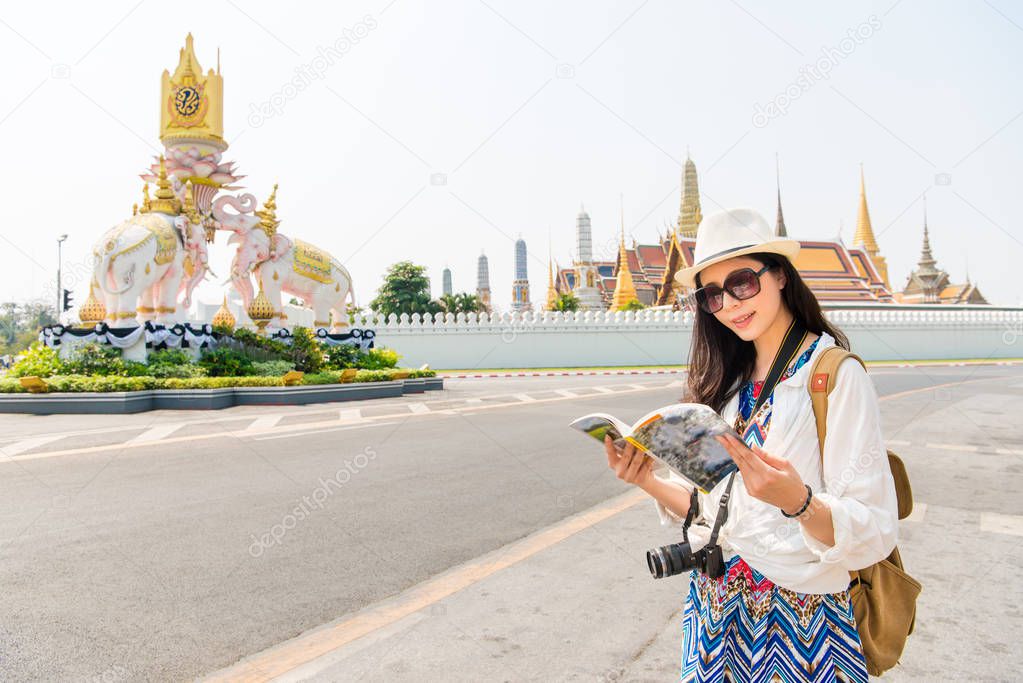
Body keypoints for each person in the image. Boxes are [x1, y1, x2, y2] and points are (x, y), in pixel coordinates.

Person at [605, 207, 899, 682]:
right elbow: (725, 518)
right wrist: (648, 482)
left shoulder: (832, 377)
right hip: (715, 614)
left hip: (799, 625)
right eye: (713, 295)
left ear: (780, 275)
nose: (732, 304)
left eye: (743, 281)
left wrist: (799, 503)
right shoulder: (729, 386)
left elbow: (876, 531)